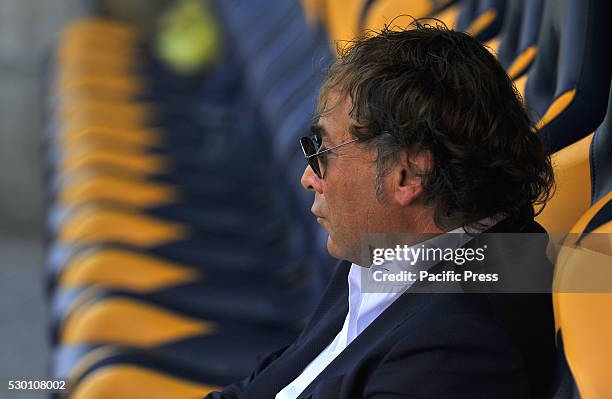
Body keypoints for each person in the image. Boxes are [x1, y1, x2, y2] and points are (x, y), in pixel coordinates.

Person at [206, 22, 556, 399]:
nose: (309, 177)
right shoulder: (384, 249)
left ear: (407, 176)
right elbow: (274, 383)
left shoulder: (459, 347)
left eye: (322, 153)